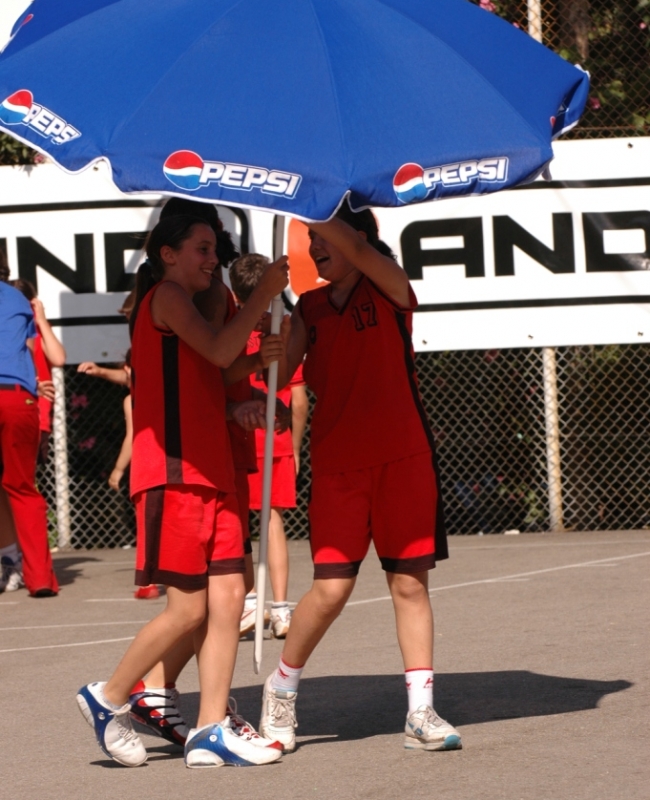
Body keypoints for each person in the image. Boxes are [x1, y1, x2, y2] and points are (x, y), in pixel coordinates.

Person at [75, 214, 289, 768]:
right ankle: (108, 696)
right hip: (175, 471)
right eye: (201, 248)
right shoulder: (167, 297)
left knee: (228, 600)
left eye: (214, 249)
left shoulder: (193, 304)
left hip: (213, 471)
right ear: (168, 254)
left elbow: (215, 372)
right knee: (190, 609)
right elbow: (218, 351)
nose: (212, 259)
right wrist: (262, 293)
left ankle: (209, 728)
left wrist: (257, 361)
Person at [258, 201, 461, 753]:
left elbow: (358, 248)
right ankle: (281, 689)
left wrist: (310, 195)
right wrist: (268, 344)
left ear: (357, 238)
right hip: (339, 467)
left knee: (409, 584)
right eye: (309, 237)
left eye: (322, 235)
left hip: (404, 458)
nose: (314, 246)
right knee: (330, 590)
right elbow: (278, 375)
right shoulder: (310, 306)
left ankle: (420, 712)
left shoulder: (389, 286)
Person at [229, 253, 307, 639]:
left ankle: (251, 601)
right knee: (272, 521)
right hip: (275, 436)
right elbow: (300, 398)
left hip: (245, 433)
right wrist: (296, 446)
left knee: (240, 521)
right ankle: (280, 608)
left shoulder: (233, 329)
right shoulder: (284, 326)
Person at [0, 253, 59, 597]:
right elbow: (29, 349)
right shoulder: (18, 299)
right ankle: (39, 579)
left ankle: (9, 561)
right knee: (22, 488)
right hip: (17, 397)